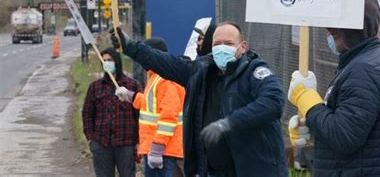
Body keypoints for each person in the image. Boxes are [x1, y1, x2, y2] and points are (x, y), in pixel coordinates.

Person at [110, 22, 288, 177]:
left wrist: (229, 123)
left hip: (253, 170)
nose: (222, 48)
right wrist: (130, 46)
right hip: (213, 170)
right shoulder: (201, 71)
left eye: (228, 43)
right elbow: (163, 62)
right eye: (217, 43)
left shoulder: (255, 71)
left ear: (243, 47)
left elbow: (273, 103)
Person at [287, 0, 380, 176]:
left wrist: (308, 101)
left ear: (357, 27)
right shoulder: (362, 62)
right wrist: (313, 131)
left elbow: (344, 136)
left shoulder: (363, 69)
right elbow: (354, 128)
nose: (328, 30)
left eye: (336, 25)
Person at [116, 38, 186, 177]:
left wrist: (157, 149)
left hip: (163, 151)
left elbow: (169, 117)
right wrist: (130, 96)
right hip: (159, 149)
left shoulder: (166, 80)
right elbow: (152, 106)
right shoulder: (157, 77)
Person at [82, 47, 142, 177]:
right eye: (104, 61)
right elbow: (87, 113)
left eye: (110, 60)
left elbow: (140, 115)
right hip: (101, 143)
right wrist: (91, 139)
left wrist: (139, 142)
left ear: (117, 62)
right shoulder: (95, 87)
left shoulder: (132, 85)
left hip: (126, 143)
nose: (107, 63)